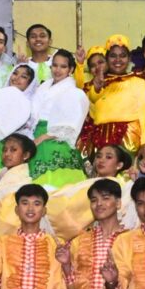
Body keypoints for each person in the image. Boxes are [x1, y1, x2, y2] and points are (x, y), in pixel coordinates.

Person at [25, 49, 89, 188]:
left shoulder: (74, 93)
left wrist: (42, 138)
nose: (57, 70)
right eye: (55, 65)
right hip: (34, 132)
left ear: (71, 69)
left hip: (56, 136)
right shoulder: (43, 87)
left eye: (63, 66)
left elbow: (69, 125)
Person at [79, 36, 145, 157]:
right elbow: (92, 100)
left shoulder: (138, 81)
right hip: (99, 136)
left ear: (129, 58)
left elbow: (144, 112)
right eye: (113, 56)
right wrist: (96, 88)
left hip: (128, 137)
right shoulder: (99, 82)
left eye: (122, 55)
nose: (118, 60)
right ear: (107, 59)